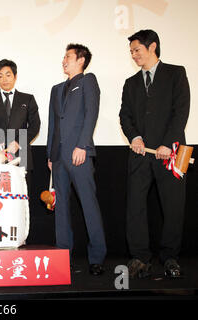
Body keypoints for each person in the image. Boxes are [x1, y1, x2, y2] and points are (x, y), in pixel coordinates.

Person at [119, 29, 190, 279]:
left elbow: (181, 111)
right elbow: (125, 116)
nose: (134, 55)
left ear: (153, 47)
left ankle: (170, 257)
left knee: (173, 206)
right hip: (141, 154)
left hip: (170, 153)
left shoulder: (176, 73)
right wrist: (135, 137)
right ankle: (139, 257)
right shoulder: (131, 83)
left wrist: (167, 143)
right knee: (135, 206)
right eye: (131, 52)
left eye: (137, 50)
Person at [46, 44, 106, 276]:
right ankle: (63, 255)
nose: (64, 60)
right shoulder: (56, 88)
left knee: (89, 205)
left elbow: (92, 113)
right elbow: (53, 123)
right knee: (60, 208)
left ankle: (97, 258)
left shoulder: (88, 81)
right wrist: (51, 155)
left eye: (68, 57)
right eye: (64, 56)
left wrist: (82, 145)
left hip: (79, 153)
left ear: (81, 60)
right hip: (59, 157)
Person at [0, 59, 40, 192]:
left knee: (22, 197)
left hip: (21, 156)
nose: (4, 79)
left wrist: (19, 142)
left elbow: (35, 125)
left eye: (8, 75)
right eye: (0, 76)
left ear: (15, 76)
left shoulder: (28, 99)